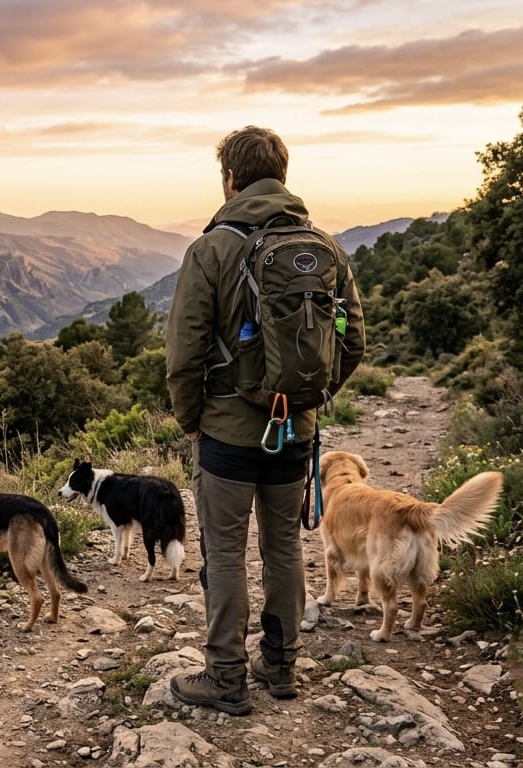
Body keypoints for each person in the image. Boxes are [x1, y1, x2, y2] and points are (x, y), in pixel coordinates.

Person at [163, 126, 365, 715]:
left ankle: (225, 675)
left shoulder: (211, 250)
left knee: (224, 553)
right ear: (282, 174)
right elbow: (351, 341)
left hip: (227, 432)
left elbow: (183, 353)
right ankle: (280, 665)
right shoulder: (322, 246)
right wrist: (310, 397)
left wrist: (190, 420)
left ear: (230, 178)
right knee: (283, 548)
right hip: (293, 433)